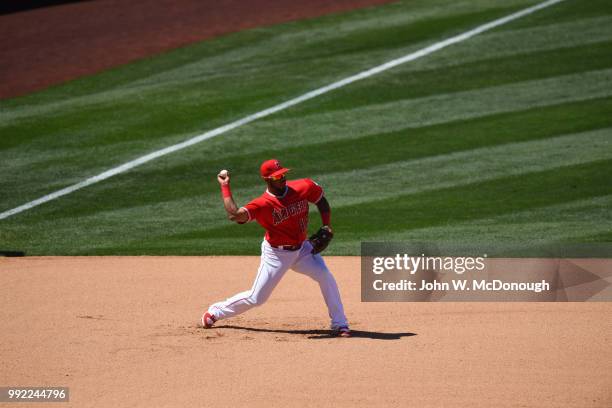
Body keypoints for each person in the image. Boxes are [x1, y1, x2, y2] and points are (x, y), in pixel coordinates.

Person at [200, 159, 350, 337]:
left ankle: (340, 324)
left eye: (283, 174)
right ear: (267, 179)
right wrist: (225, 186)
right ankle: (216, 311)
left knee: (325, 276)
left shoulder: (303, 187)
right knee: (257, 298)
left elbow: (321, 201)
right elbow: (235, 214)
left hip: (302, 249)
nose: (283, 178)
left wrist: (326, 225)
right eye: (278, 176)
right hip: (277, 254)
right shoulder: (263, 204)